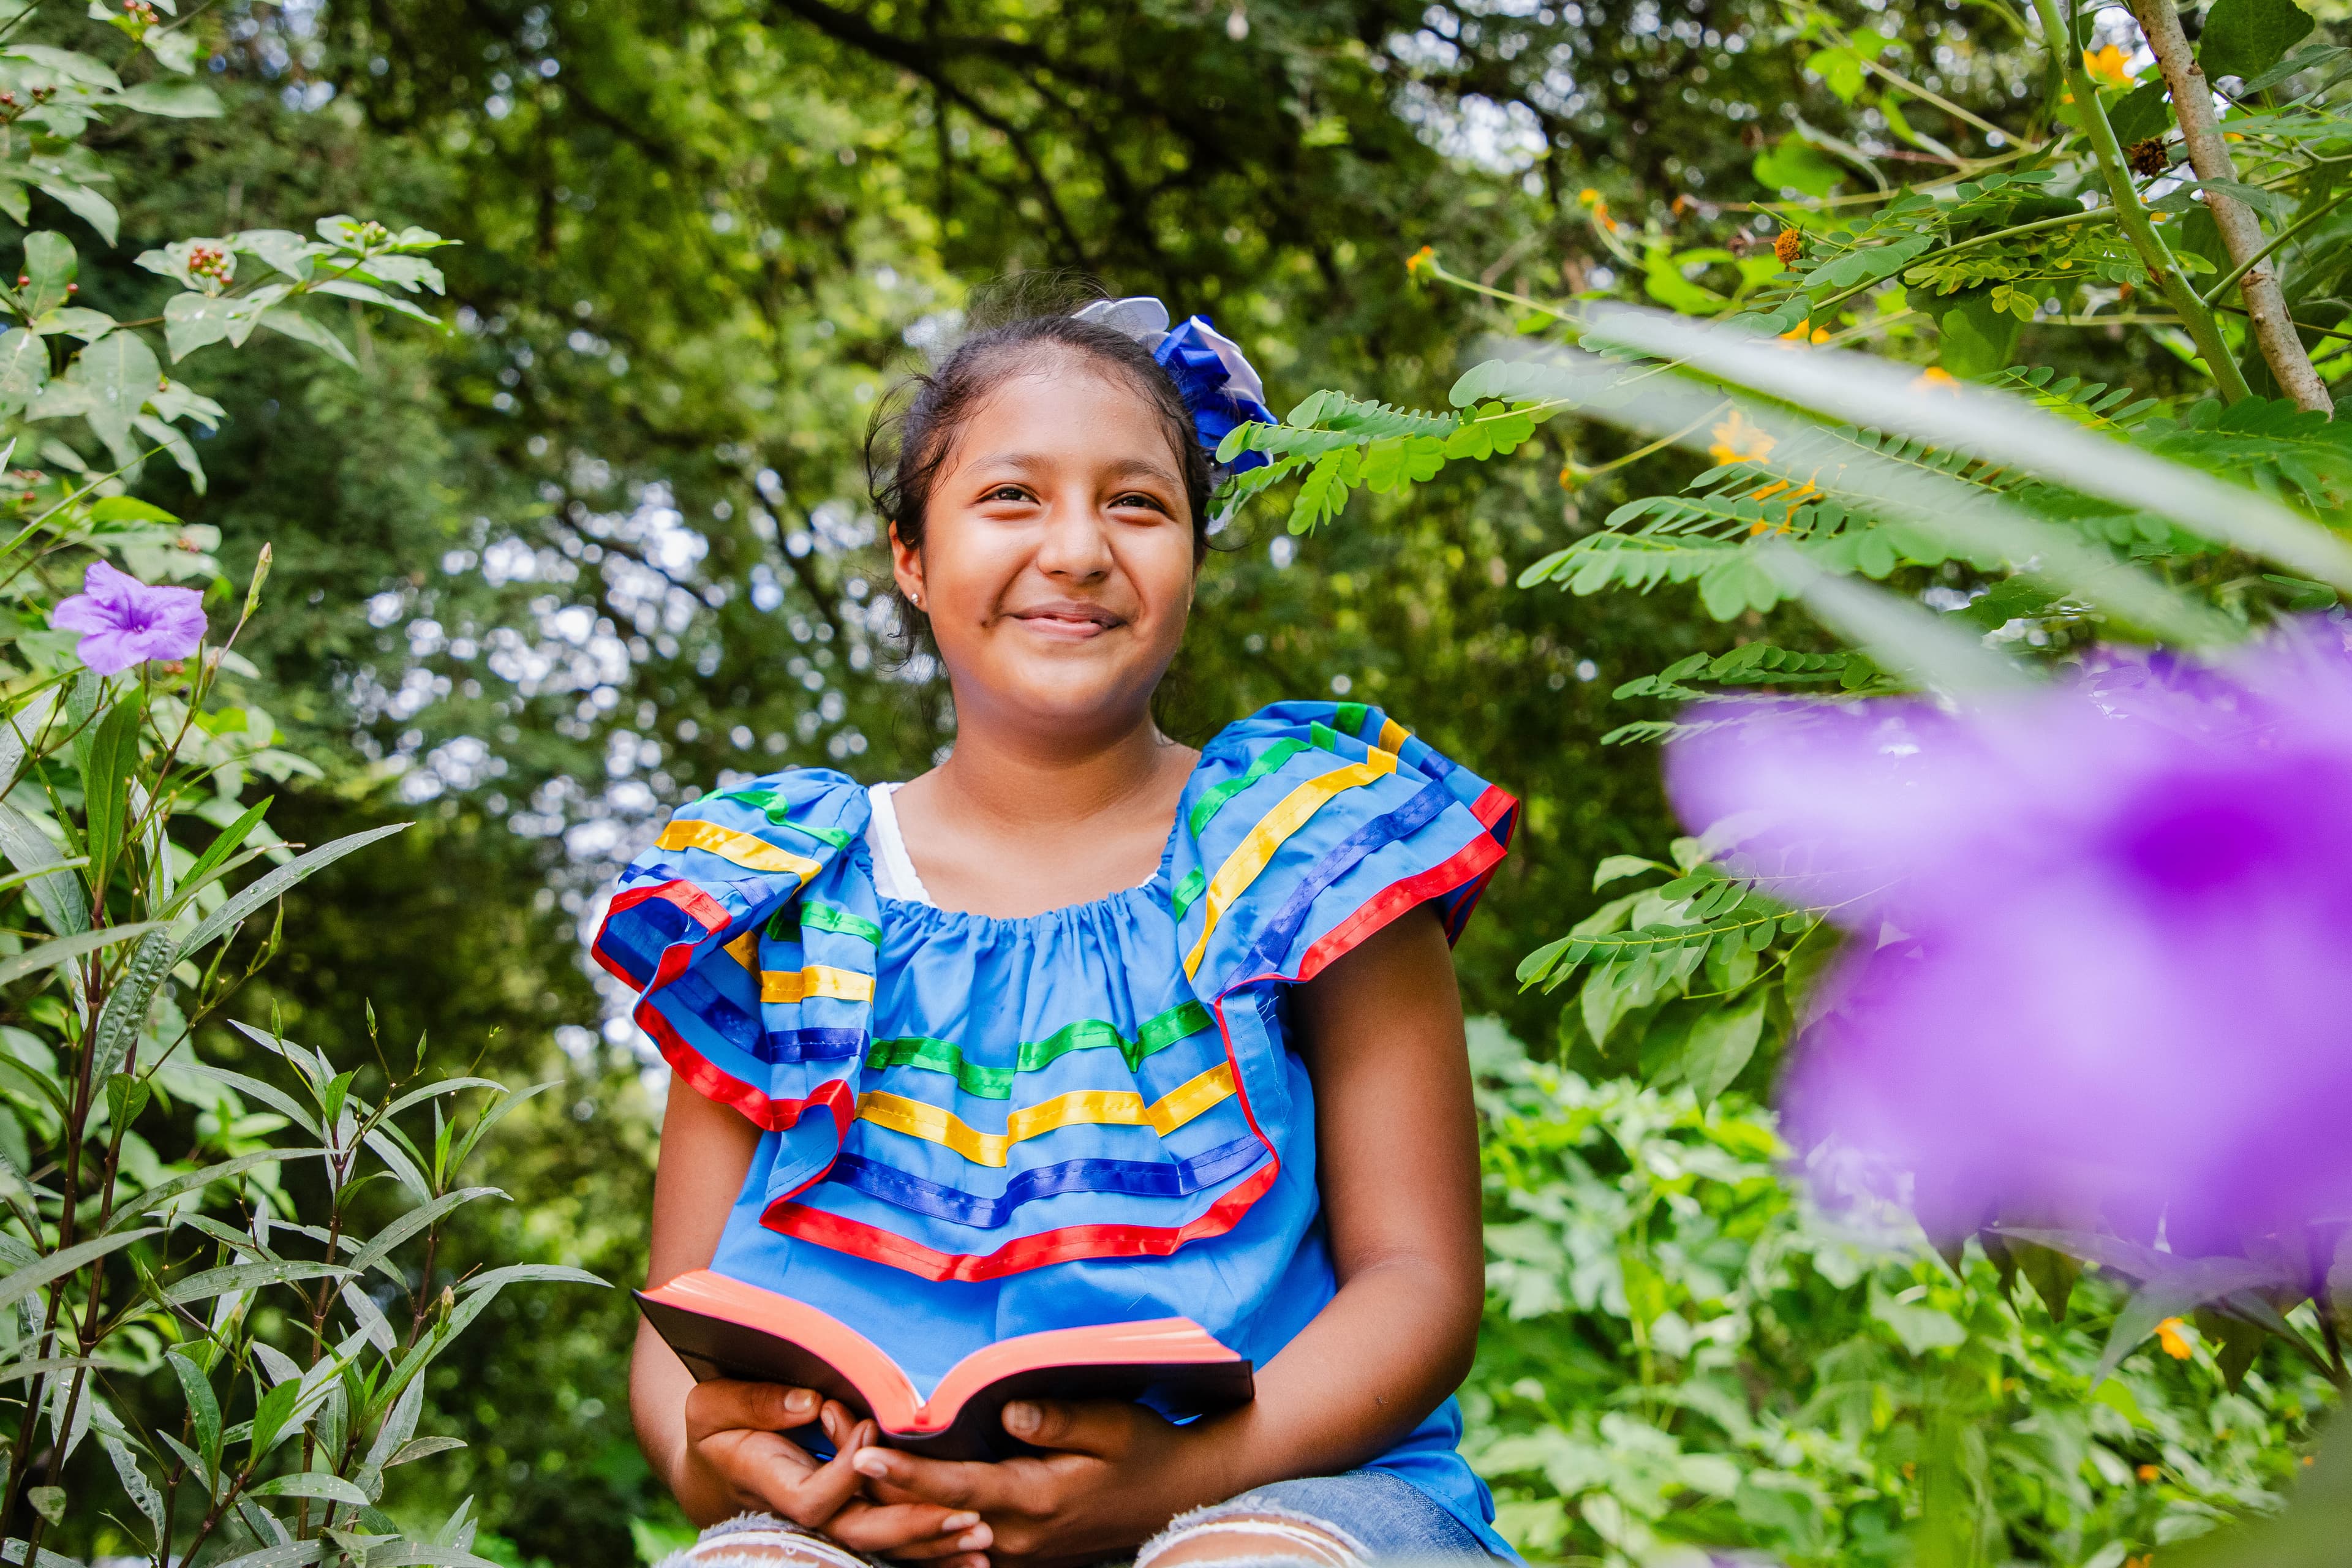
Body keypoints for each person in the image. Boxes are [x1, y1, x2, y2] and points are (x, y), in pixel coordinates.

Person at [600, 285, 1520, 1568]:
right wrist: (731, 1470)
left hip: (1297, 1496)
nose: (1080, 548)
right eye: (1012, 496)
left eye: (1138, 502)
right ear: (910, 556)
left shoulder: (1312, 846)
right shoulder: (780, 893)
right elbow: (676, 1323)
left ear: (1195, 551)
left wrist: (1187, 1481)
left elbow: (1420, 1285)